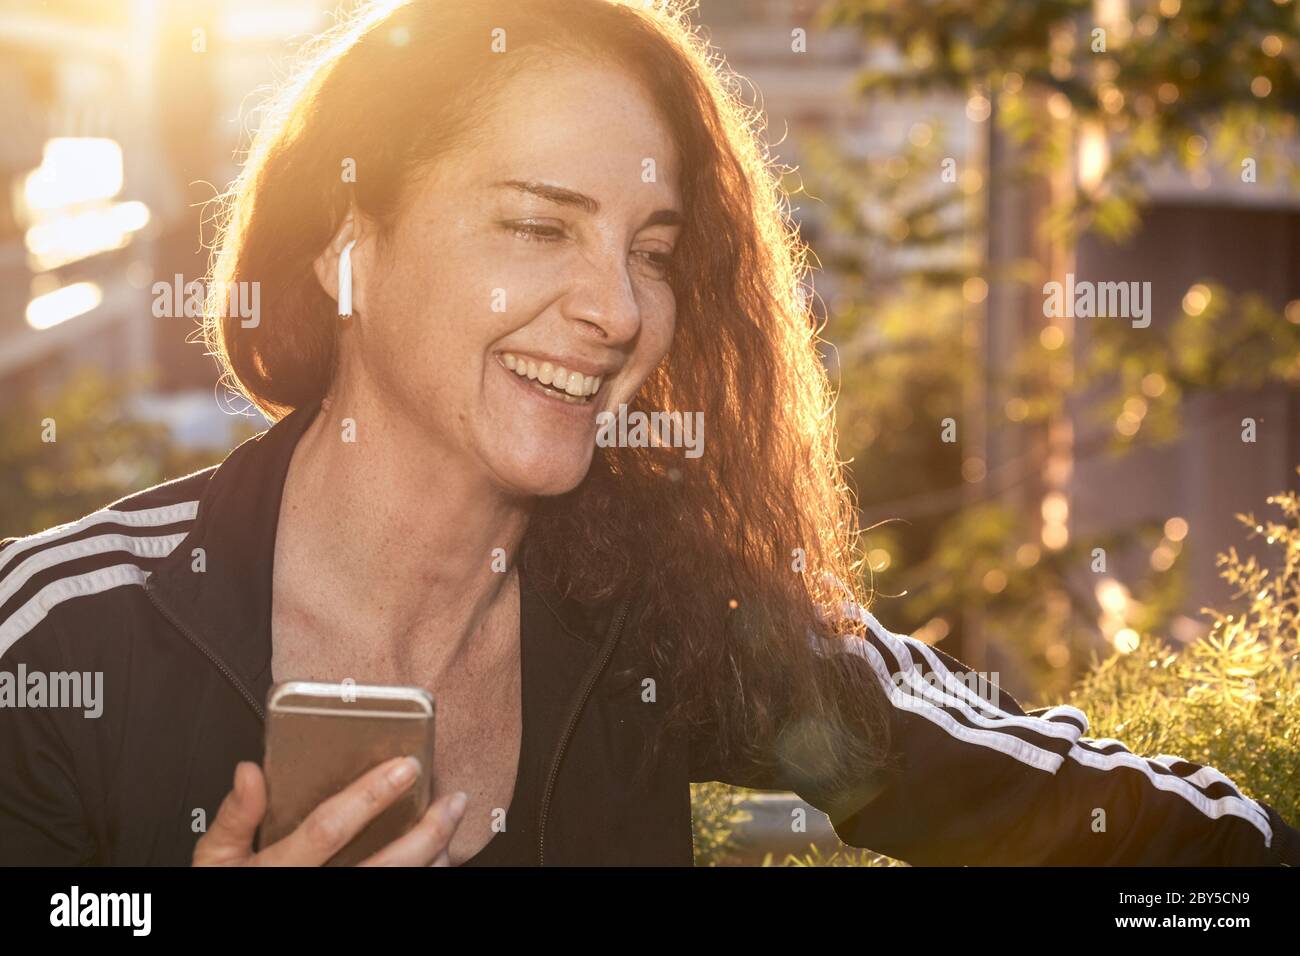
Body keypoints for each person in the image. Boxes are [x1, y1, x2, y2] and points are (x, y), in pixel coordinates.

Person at [1, 0, 1296, 866]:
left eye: (653, 252)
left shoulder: (668, 607)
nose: (619, 312)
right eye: (536, 224)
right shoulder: (59, 643)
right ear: (351, 249)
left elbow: (1049, 800)